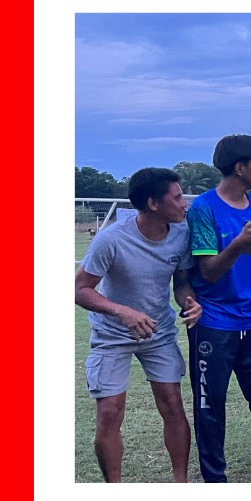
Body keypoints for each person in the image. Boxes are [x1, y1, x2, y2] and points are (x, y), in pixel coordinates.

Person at [78, 166, 198, 481]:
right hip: (112, 335)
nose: (184, 204)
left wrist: (189, 302)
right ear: (153, 203)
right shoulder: (111, 239)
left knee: (173, 405)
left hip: (158, 334)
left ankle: (181, 484)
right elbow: (79, 289)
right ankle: (115, 491)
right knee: (109, 413)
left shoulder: (182, 235)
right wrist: (122, 312)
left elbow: (182, 282)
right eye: (176, 198)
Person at [186, 134, 251, 481]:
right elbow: (208, 272)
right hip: (215, 323)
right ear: (239, 167)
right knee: (210, 405)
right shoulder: (204, 208)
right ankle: (215, 479)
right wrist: (237, 244)